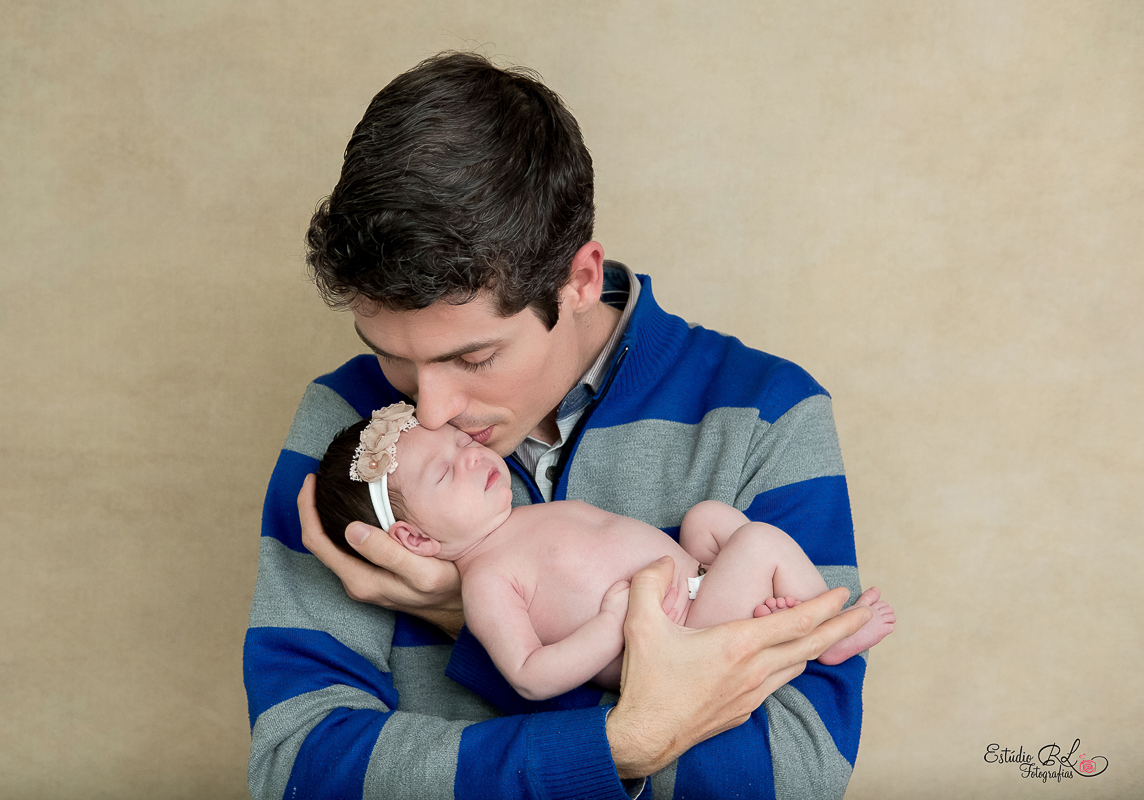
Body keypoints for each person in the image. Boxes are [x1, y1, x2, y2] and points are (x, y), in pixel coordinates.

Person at [244, 50, 875, 800]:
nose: (431, 409)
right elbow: (298, 770)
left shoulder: (768, 412)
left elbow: (791, 775)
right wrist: (619, 740)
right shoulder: (354, 436)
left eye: (473, 358)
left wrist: (463, 621)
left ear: (577, 279)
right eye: (393, 358)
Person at [314, 403, 896, 702]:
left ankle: (771, 612)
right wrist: (614, 624)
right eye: (446, 472)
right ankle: (830, 629)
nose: (472, 455)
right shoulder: (488, 580)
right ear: (414, 539)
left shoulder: (521, 519)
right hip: (675, 644)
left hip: (694, 593)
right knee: (757, 539)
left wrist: (695, 565)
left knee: (708, 519)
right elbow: (529, 677)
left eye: (461, 441)